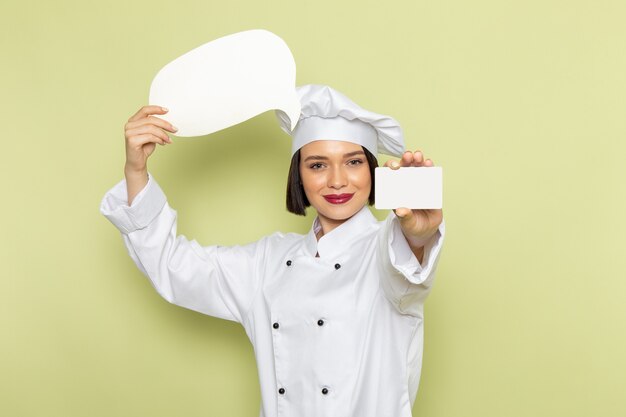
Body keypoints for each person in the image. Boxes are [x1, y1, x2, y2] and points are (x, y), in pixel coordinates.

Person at [100, 84, 445, 417]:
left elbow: (407, 269)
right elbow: (173, 265)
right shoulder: (268, 262)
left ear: (373, 172)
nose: (337, 180)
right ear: (299, 175)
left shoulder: (387, 249)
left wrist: (418, 235)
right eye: (318, 165)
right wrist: (136, 171)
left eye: (353, 162)